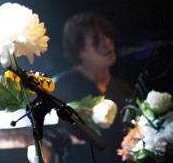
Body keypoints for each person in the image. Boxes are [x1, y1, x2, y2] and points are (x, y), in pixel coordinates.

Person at [50, 11, 133, 163]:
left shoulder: (124, 89)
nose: (107, 43)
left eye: (107, 36)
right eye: (96, 40)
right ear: (80, 50)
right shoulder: (59, 89)